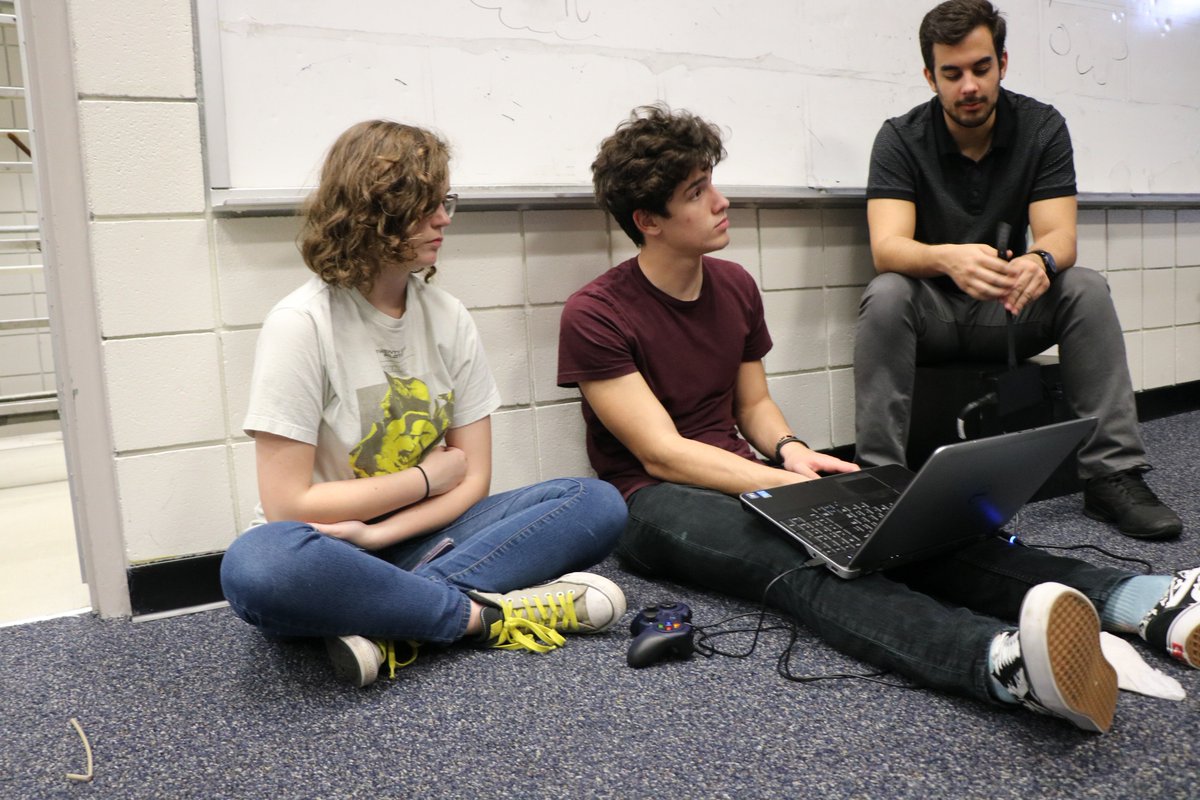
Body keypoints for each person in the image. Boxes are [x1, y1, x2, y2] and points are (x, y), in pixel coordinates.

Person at [557, 103, 1200, 733]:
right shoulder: (595, 314)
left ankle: (1139, 600)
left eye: (711, 181)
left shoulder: (733, 285)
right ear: (649, 220)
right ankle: (1000, 664)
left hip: (749, 474)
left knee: (909, 534)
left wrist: (789, 450)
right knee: (817, 567)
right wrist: (789, 489)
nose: (720, 200)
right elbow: (661, 454)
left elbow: (751, 404)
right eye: (697, 192)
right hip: (653, 504)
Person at [220, 120, 627, 688]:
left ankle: (396, 620)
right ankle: (486, 616)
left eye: (445, 202)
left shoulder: (448, 316)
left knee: (593, 500)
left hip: (420, 538)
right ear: (371, 210)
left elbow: (474, 478)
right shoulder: (300, 324)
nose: (443, 219)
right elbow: (290, 504)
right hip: (325, 547)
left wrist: (380, 535)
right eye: (424, 204)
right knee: (256, 566)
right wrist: (423, 479)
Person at [856, 0, 1181, 540]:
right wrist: (946, 257)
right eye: (952, 73)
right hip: (932, 312)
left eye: (981, 68)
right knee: (887, 292)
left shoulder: (1042, 126)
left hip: (1008, 309)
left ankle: (1112, 476)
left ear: (1002, 64)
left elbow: (1061, 237)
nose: (969, 87)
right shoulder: (899, 137)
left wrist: (1040, 260)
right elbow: (887, 248)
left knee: (1084, 287)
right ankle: (877, 481)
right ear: (929, 76)